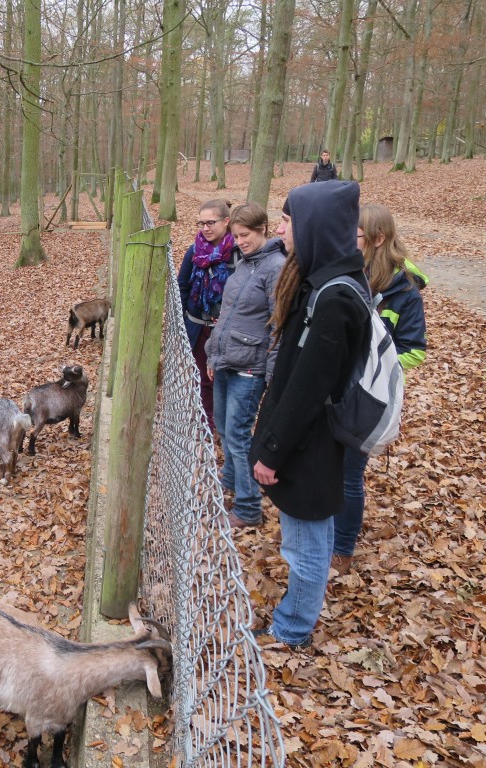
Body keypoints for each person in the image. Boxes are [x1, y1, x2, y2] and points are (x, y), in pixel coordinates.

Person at [248, 181, 369, 650]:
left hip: (311, 443)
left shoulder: (335, 298)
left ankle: (293, 628)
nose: (280, 230)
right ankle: (294, 619)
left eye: (288, 221)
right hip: (307, 438)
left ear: (314, 226)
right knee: (306, 533)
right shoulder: (323, 282)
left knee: (306, 541)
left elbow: (307, 388)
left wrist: (272, 451)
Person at [333, 204, 428, 574]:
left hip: (367, 397)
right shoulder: (345, 272)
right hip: (333, 387)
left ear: (377, 239)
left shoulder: (405, 292)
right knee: (325, 465)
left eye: (354, 234)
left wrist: (375, 365)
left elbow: (414, 351)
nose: (346, 240)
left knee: (349, 475)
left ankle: (342, 550)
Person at [204, 203, 286, 529]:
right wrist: (214, 355)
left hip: (250, 368)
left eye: (245, 235)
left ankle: (249, 507)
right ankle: (230, 481)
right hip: (227, 361)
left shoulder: (275, 267)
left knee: (238, 435)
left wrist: (271, 373)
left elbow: (279, 325)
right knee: (225, 429)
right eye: (236, 236)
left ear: (262, 229)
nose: (239, 242)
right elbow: (227, 315)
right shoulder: (244, 263)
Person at [177, 199, 235, 431]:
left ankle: (226, 423)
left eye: (211, 222)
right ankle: (207, 425)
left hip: (229, 330)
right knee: (203, 378)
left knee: (226, 378)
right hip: (199, 327)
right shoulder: (194, 251)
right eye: (201, 223)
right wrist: (184, 321)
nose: (205, 228)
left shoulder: (238, 253)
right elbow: (183, 286)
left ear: (226, 221)